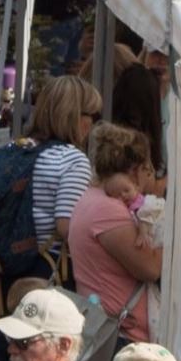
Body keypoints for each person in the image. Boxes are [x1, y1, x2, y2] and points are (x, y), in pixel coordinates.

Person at [67, 124, 163, 350]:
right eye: (145, 169)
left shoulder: (92, 198)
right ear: (133, 170)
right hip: (121, 334)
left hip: (110, 327)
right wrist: (172, 245)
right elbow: (150, 268)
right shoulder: (107, 209)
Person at [29, 77, 105, 251]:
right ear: (74, 116)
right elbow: (67, 227)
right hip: (47, 265)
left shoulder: (20, 148)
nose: (92, 123)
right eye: (91, 115)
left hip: (2, 266)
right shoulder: (72, 160)